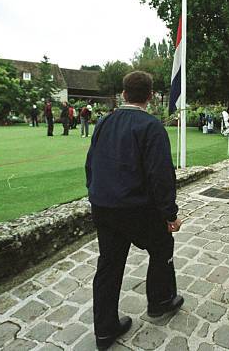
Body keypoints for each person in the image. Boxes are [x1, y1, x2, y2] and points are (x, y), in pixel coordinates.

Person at [85, 71, 184, 349]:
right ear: (150, 96)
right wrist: (170, 214)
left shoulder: (104, 122)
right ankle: (160, 300)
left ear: (124, 94)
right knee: (162, 246)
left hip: (104, 206)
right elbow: (161, 175)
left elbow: (91, 164)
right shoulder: (151, 126)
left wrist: (95, 192)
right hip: (136, 208)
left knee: (108, 265)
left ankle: (104, 330)